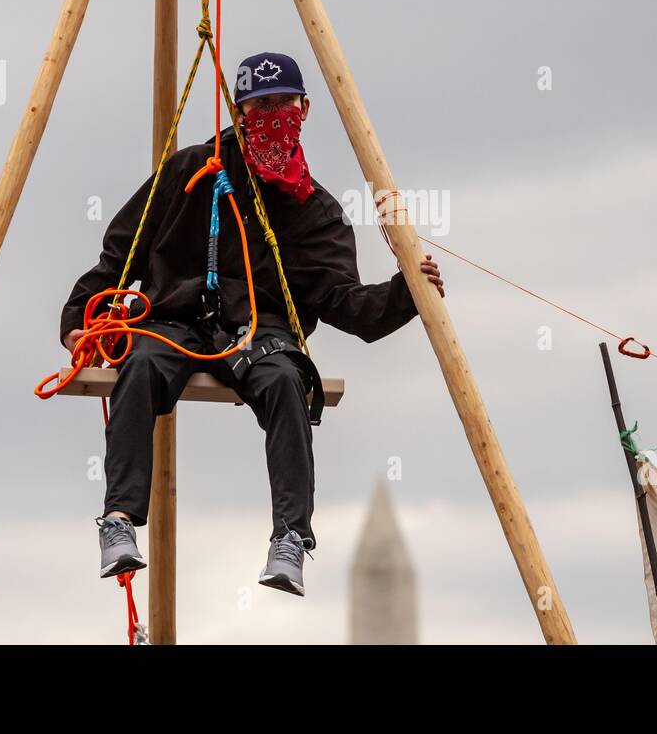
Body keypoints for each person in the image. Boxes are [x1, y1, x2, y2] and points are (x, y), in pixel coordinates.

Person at [59, 51, 445, 596]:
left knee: (287, 380)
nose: (270, 116)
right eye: (257, 106)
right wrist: (80, 318)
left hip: (261, 333)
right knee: (140, 367)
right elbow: (122, 252)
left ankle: (291, 537)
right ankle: (119, 518)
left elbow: (347, 305)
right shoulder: (191, 170)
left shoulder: (314, 211)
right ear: (239, 113)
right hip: (175, 319)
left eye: (281, 104)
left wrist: (410, 291)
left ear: (304, 108)